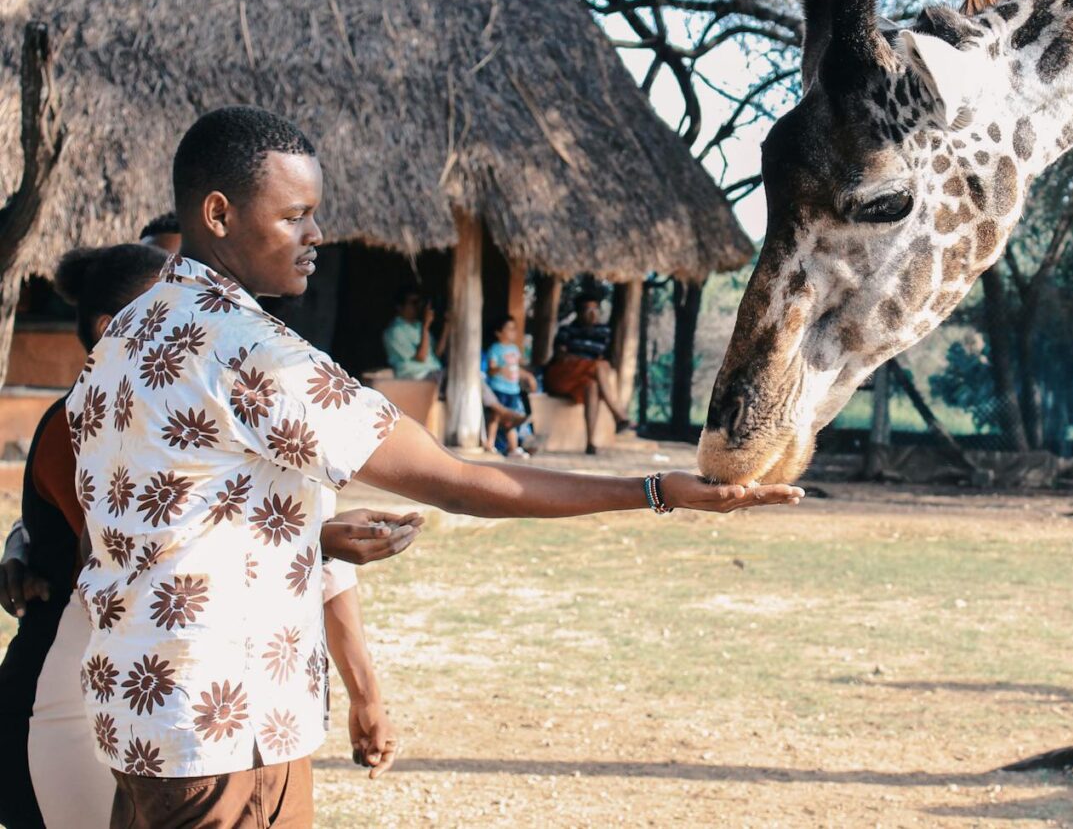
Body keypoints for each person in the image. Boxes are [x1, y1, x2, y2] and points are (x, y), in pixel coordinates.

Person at [64, 106, 800, 827]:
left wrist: (308, 540)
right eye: (295, 215)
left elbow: (170, 513)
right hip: (226, 718)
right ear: (219, 214)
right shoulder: (250, 351)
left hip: (144, 701)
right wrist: (654, 490)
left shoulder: (129, 332)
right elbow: (457, 481)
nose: (317, 233)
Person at [1, 243, 422, 827]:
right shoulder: (91, 419)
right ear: (114, 327)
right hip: (78, 697)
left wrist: (366, 693)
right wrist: (315, 538)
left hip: (200, 708)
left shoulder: (224, 402)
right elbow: (142, 550)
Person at [544, 291, 632, 455]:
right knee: (599, 366)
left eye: (595, 309)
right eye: (587, 310)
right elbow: (561, 357)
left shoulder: (603, 332)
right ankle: (618, 415)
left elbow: (602, 357)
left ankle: (590, 442)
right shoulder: (567, 330)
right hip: (562, 376)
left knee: (592, 386)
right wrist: (585, 362)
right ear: (578, 312)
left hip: (583, 379)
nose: (592, 313)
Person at [484, 317, 535, 457]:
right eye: (510, 328)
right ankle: (490, 443)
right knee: (496, 416)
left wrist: (528, 377)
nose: (514, 331)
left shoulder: (514, 349)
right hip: (499, 388)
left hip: (513, 390)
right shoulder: (495, 349)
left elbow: (517, 368)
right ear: (499, 333)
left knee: (511, 420)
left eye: (515, 328)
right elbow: (491, 369)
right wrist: (500, 369)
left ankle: (513, 448)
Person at [383, 286, 446, 381]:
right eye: (414, 303)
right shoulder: (394, 331)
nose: (418, 306)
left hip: (434, 372)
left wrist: (447, 324)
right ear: (399, 307)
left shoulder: (418, 326)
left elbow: (437, 353)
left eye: (419, 302)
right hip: (418, 376)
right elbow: (421, 357)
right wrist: (425, 327)